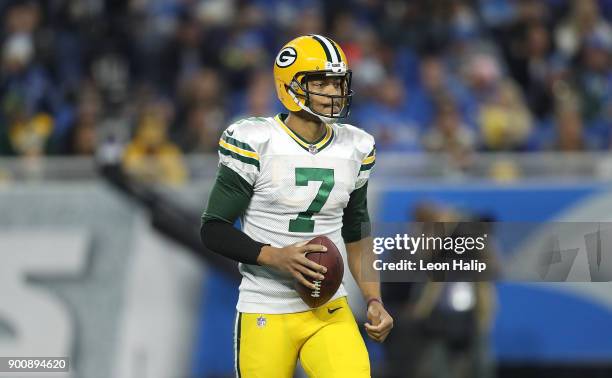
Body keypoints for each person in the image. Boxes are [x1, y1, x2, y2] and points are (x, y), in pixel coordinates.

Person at [201, 35, 393, 377]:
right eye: (321, 82)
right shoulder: (255, 142)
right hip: (266, 307)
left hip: (328, 308)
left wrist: (374, 299)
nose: (333, 92)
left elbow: (357, 231)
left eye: (338, 82)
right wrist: (276, 256)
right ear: (289, 86)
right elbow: (213, 229)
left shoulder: (355, 146)